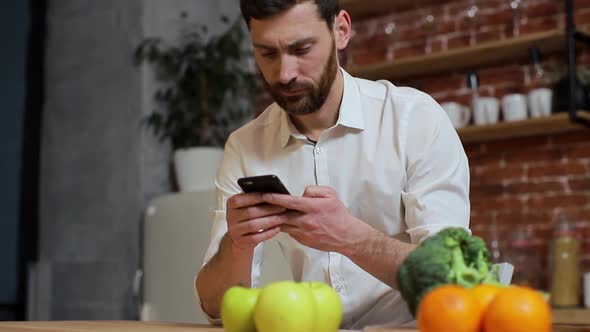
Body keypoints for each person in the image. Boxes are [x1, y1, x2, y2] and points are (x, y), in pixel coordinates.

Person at [195, 0, 470, 329]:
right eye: (267, 53)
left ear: (341, 30)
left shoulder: (415, 119)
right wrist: (237, 245)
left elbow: (452, 278)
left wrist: (349, 237)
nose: (285, 74)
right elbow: (214, 308)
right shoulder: (244, 147)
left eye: (302, 48)